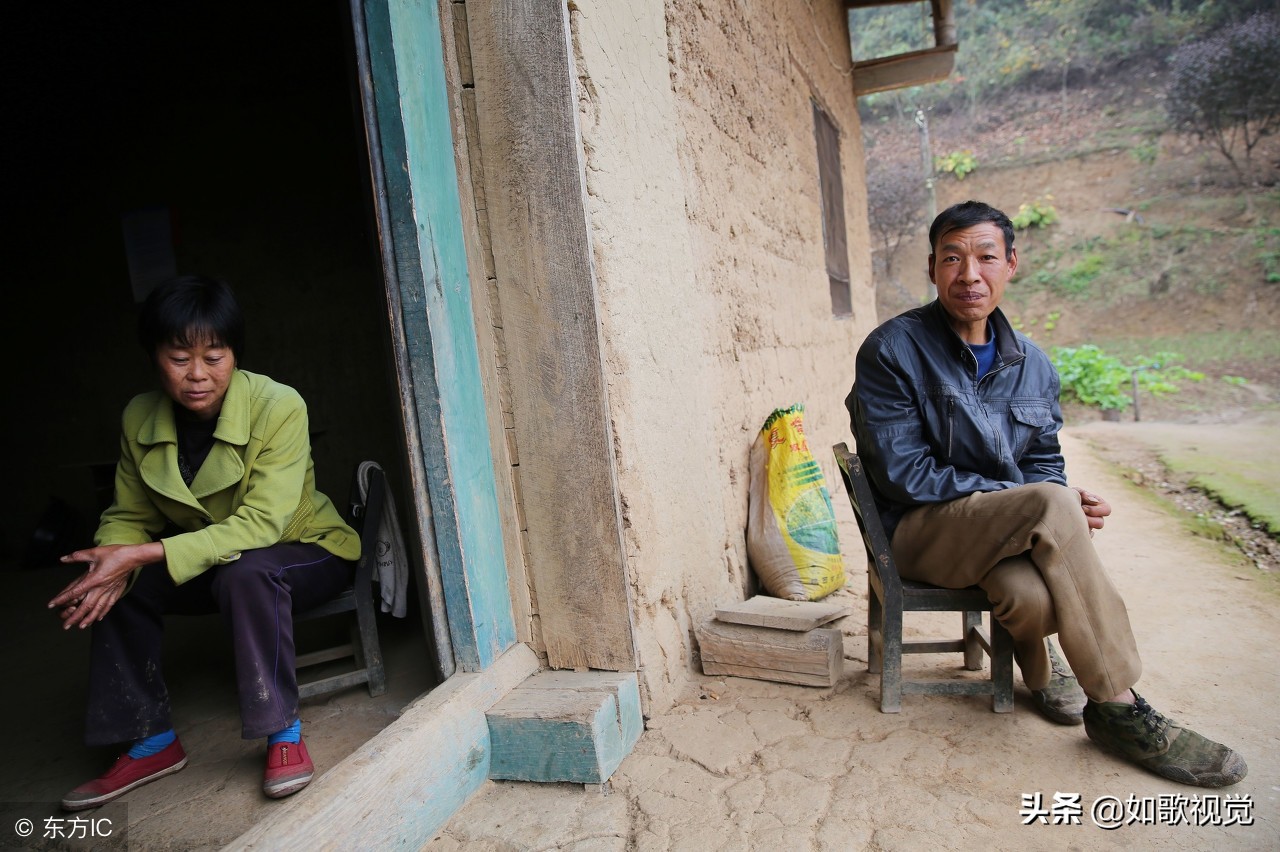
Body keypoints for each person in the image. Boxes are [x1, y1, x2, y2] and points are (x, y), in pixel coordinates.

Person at [846, 200, 1247, 788]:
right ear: (932, 267)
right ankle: (1120, 706)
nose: (969, 274)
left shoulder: (1033, 363)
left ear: (1012, 263)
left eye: (986, 258)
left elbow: (1043, 463)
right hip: (919, 534)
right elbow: (905, 474)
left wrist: (1049, 502)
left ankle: (1041, 665)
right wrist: (1035, 503)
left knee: (1030, 594)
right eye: (952, 259)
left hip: (996, 535)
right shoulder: (892, 350)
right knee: (1049, 504)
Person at [49, 275, 361, 810]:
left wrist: (148, 552)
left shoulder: (279, 405)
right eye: (179, 358)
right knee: (121, 579)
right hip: (211, 558)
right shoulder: (139, 416)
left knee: (247, 570)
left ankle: (283, 730)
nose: (197, 374)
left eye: (214, 357)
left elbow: (263, 523)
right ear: (154, 356)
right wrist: (114, 560)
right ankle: (151, 740)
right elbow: (128, 515)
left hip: (305, 549)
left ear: (234, 355)